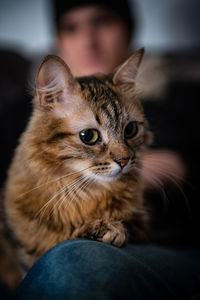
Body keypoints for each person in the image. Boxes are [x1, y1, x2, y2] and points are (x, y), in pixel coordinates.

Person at [2, 0, 200, 299]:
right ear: (58, 38)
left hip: (163, 249)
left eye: (103, 21)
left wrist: (181, 165)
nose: (88, 41)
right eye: (71, 27)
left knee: (73, 260)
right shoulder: (21, 112)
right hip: (28, 253)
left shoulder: (180, 95)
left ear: (129, 29)